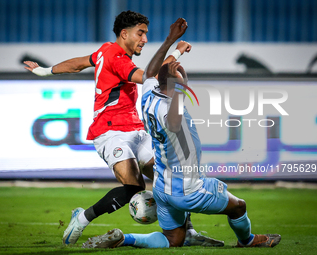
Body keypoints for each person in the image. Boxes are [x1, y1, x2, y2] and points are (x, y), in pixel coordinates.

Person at [24, 11, 222, 247]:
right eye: (141, 33)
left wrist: (44, 70)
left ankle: (188, 231)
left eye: (146, 34)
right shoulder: (115, 56)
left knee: (168, 176)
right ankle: (83, 217)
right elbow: (151, 77)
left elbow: (77, 64)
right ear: (124, 33)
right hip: (110, 132)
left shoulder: (105, 51)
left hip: (136, 130)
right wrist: (174, 48)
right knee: (134, 187)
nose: (145, 39)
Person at [81, 30, 282, 249]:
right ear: (173, 86)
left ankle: (125, 238)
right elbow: (175, 123)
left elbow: (151, 70)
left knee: (173, 239)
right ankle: (248, 240)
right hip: (189, 190)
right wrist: (180, 87)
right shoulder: (170, 110)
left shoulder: (149, 93)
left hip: (162, 187)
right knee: (239, 207)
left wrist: (174, 49)